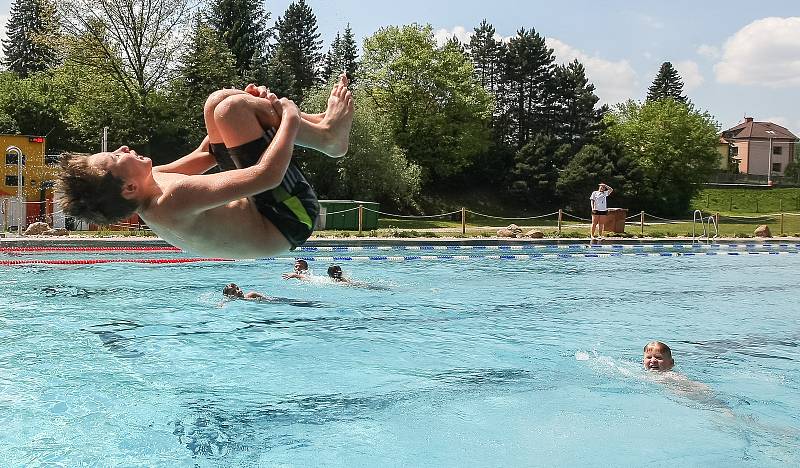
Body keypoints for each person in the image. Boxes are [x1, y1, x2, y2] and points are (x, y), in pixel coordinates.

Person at [57, 74, 354, 259]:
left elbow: (209, 152)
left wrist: (249, 106)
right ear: (129, 187)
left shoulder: (152, 182)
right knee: (231, 110)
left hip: (265, 205)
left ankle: (320, 126)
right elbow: (267, 176)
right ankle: (328, 137)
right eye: (116, 157)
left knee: (219, 103)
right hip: (289, 219)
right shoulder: (173, 200)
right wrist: (287, 115)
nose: (122, 149)